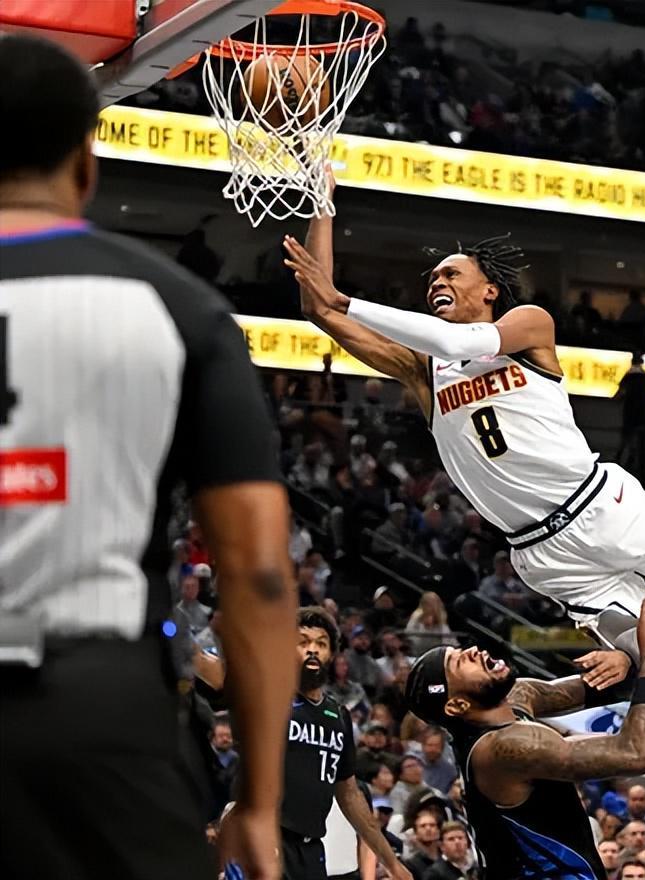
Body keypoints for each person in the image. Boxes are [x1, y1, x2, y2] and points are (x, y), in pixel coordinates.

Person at [286, 196, 645, 811]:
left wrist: (348, 299)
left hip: (606, 509)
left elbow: (446, 335)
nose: (437, 282)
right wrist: (323, 207)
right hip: (544, 556)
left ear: (489, 290)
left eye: (451, 274)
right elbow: (317, 307)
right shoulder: (423, 374)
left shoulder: (528, 327)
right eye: (431, 277)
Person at [0, 34, 297, 880]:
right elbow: (256, 575)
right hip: (96, 711)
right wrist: (259, 800)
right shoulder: (177, 306)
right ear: (85, 161)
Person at [404, 590, 645, 878]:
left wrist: (623, 659)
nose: (473, 651)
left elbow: (601, 685)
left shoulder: (514, 697)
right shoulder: (503, 749)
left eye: (462, 651)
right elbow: (637, 754)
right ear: (457, 705)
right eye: (460, 663)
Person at [281, 607, 413, 880]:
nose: (312, 650)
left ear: (331, 654)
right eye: (302, 642)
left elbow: (350, 795)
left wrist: (391, 862)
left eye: (321, 644)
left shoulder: (338, 715)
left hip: (311, 849)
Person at [615, 352, 645, 471]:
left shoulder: (628, 377)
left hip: (630, 411)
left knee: (626, 439)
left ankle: (621, 461)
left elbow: (619, 394)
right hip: (644, 412)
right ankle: (642, 468)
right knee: (643, 442)